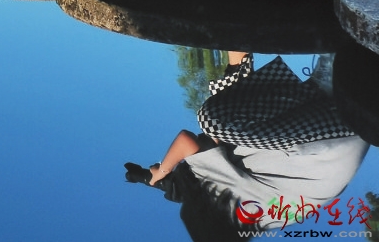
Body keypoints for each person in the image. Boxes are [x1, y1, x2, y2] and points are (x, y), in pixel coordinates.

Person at [125, 52, 369, 239]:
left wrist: (151, 180)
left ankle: (237, 41)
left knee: (227, 127)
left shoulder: (264, 217)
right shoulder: (234, 206)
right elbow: (186, 142)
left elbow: (214, 145)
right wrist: (161, 172)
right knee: (213, 121)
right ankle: (323, 83)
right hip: (333, 129)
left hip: (351, 130)